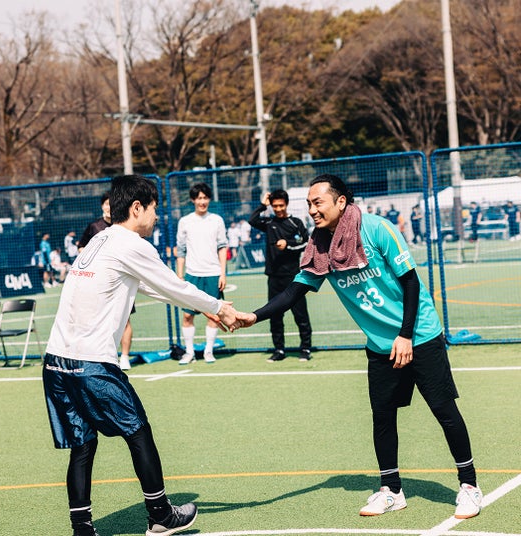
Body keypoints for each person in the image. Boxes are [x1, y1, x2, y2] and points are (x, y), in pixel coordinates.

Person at [237, 174, 481, 519]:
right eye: (308, 204)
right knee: (383, 416)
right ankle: (391, 490)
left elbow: (411, 283)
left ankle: (469, 486)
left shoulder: (377, 229)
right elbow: (293, 292)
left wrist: (406, 335)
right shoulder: (319, 246)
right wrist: (253, 316)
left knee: (443, 410)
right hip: (380, 345)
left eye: (317, 202)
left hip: (419, 335)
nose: (312, 210)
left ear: (341, 202)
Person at [42, 174, 240, 536]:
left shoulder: (100, 239)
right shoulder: (131, 243)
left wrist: (208, 309)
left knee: (83, 445)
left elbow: (152, 286)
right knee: (138, 431)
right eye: (154, 208)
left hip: (55, 361)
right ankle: (161, 515)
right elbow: (173, 284)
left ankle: (82, 528)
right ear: (137, 208)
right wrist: (219, 308)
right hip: (91, 362)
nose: (156, 216)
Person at [249, 190, 312, 362]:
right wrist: (263, 205)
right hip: (274, 277)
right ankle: (279, 350)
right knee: (275, 315)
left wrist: (288, 244)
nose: (278, 209)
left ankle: (305, 348)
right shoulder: (269, 222)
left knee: (300, 314)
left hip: (293, 277)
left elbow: (306, 243)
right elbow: (252, 220)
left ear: (287, 204)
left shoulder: (295, 222)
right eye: (274, 206)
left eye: (281, 205)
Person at [79, 191, 134, 371]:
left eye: (112, 204)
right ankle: (101, 357)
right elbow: (81, 248)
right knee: (98, 320)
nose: (109, 207)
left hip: (121, 281)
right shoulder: (94, 226)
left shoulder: (125, 227)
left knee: (124, 320)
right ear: (102, 206)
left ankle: (124, 357)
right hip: (99, 282)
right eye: (106, 203)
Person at [175, 182, 228, 364]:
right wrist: (180, 276)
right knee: (187, 315)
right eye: (199, 198)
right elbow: (181, 251)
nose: (202, 201)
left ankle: (208, 351)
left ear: (209, 199)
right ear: (193, 200)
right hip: (192, 274)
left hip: (213, 274)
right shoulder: (185, 221)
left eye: (205, 198)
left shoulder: (217, 220)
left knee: (213, 315)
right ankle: (189, 352)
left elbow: (222, 247)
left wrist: (222, 273)